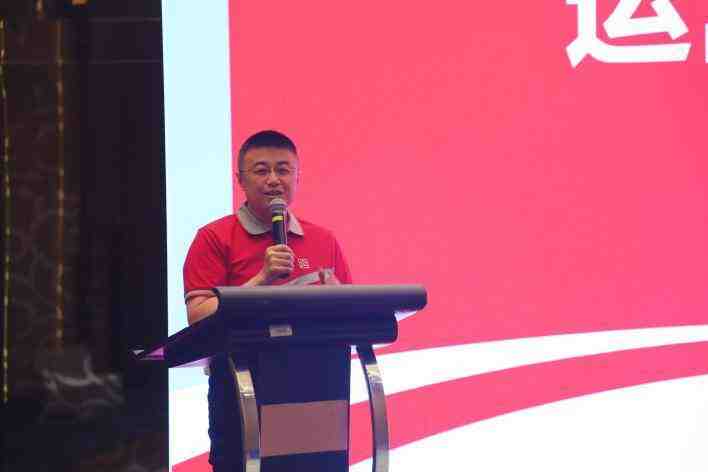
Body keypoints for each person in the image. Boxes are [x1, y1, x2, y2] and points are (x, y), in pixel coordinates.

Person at [182, 130, 352, 471]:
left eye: (283, 170)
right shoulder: (213, 237)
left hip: (315, 386)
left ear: (297, 177)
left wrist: (336, 298)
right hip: (244, 386)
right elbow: (198, 315)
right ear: (240, 180)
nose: (274, 179)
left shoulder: (323, 239)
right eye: (261, 170)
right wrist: (262, 278)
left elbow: (352, 312)